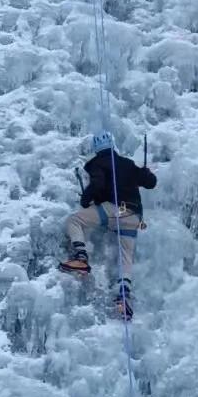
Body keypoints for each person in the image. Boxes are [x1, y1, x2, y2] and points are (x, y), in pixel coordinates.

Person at [58, 129, 157, 320]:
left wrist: (86, 200)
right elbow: (151, 183)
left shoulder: (96, 163)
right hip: (134, 215)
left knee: (74, 220)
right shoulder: (128, 164)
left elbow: (98, 184)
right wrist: (145, 173)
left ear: (96, 148)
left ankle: (81, 257)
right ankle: (123, 294)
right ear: (113, 145)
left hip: (115, 210)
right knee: (125, 254)